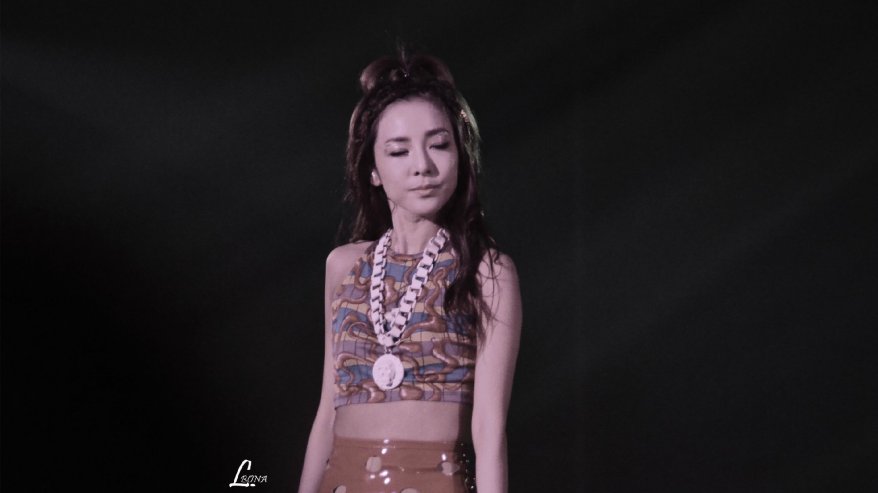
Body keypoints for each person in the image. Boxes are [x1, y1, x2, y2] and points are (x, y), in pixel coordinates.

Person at [298, 49, 522, 493]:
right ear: (373, 170)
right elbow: (327, 411)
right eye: (399, 151)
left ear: (461, 154)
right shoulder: (344, 265)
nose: (423, 165)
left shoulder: (487, 271)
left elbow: (489, 428)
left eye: (439, 144)